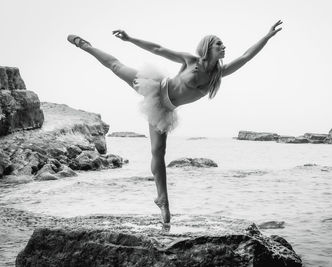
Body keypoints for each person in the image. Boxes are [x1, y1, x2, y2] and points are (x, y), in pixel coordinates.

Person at [67, 20, 283, 224]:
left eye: (223, 44)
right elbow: (159, 49)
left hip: (165, 108)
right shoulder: (191, 61)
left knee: (158, 152)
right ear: (208, 46)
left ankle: (163, 202)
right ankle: (84, 45)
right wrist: (130, 39)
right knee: (115, 66)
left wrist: (268, 36)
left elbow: (246, 56)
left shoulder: (219, 73)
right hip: (155, 87)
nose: (224, 47)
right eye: (219, 44)